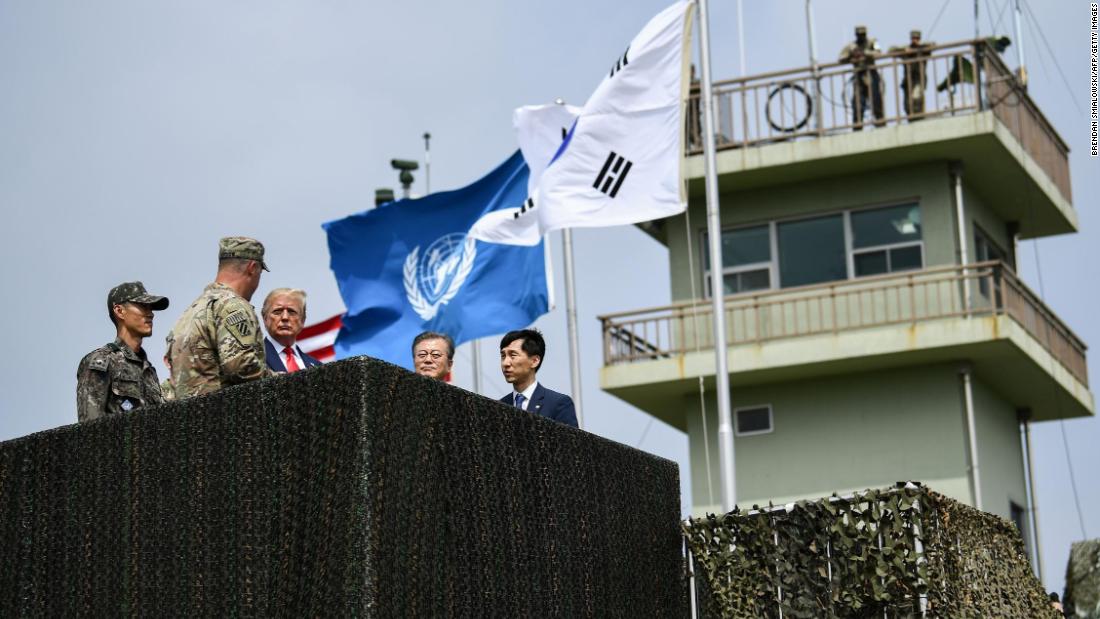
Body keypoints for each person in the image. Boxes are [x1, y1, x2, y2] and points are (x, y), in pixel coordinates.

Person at [168, 236, 274, 399]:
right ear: (252, 268)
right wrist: (284, 382)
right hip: (225, 418)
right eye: (260, 272)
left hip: (188, 420)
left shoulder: (190, 312)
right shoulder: (231, 305)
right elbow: (240, 366)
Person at [76, 281, 170, 422]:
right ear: (119, 311)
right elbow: (90, 431)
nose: (150, 314)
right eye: (143, 306)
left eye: (150, 308)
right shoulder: (101, 362)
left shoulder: (149, 371)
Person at [498, 329, 577, 428]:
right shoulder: (498, 406)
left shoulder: (558, 404)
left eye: (513, 355)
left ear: (535, 361)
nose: (506, 363)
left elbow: (570, 443)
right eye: (503, 356)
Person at [262, 287, 322, 373]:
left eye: (291, 312)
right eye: (277, 311)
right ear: (265, 319)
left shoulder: (318, 367)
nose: (285, 317)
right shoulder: (251, 359)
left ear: (302, 320)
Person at [838, 25, 885, 130]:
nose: (861, 37)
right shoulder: (851, 46)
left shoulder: (872, 42)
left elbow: (879, 53)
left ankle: (880, 123)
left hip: (871, 74)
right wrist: (851, 55)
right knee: (858, 103)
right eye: (859, 35)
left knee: (876, 99)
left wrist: (865, 53)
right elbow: (841, 58)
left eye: (863, 35)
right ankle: (858, 126)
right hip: (859, 76)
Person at [890, 30, 934, 119]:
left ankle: (919, 118)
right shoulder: (907, 49)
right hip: (907, 81)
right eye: (913, 38)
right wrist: (904, 51)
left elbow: (933, 45)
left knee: (917, 100)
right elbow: (891, 50)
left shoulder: (922, 49)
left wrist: (921, 48)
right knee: (907, 104)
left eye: (917, 38)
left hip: (919, 79)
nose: (915, 40)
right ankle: (911, 118)